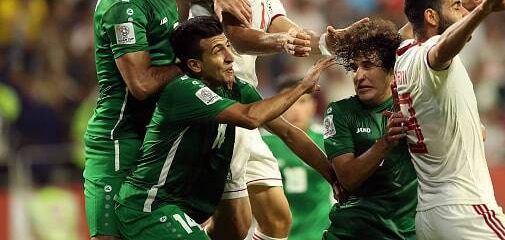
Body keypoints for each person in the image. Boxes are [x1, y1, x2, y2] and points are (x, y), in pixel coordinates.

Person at [190, 0, 360, 240]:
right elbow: (237, 37)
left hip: (244, 100)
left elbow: (293, 35)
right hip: (215, 104)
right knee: (226, 225)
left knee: (277, 221)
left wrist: (332, 43)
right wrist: (282, 42)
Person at [85, 0, 252, 240]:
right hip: (121, 142)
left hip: (157, 139)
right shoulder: (123, 4)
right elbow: (142, 84)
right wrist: (192, 64)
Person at [114, 16, 335, 240]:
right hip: (150, 206)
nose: (230, 58)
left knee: (244, 228)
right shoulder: (182, 90)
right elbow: (249, 118)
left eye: (228, 47)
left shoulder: (235, 88)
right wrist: (301, 88)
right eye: (219, 50)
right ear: (195, 64)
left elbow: (288, 132)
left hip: (184, 209)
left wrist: (334, 179)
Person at [393, 0, 505, 240]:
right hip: (465, 209)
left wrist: (460, 1)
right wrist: (481, 11)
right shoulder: (432, 51)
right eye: (456, 8)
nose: (463, 11)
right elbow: (442, 48)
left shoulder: (403, 55)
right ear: (431, 17)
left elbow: (408, 31)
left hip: (429, 216)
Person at [322, 19, 416, 240]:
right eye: (354, 67)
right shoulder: (340, 112)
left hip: (407, 233)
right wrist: (385, 142)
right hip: (352, 232)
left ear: (391, 70)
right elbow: (347, 179)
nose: (358, 75)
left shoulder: (413, 105)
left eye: (368, 65)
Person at [261, 76, 333, 240]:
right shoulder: (262, 143)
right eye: (290, 101)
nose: (295, 109)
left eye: (302, 101)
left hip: (320, 232)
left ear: (313, 105)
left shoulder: (328, 140)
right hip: (276, 234)